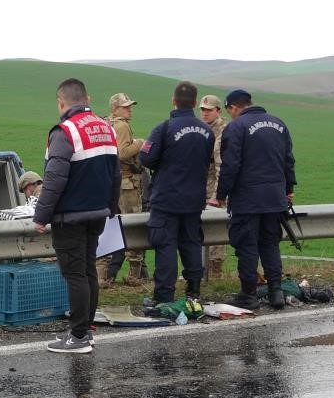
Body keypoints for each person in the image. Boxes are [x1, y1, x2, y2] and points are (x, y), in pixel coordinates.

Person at [33, 78, 120, 354]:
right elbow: (115, 174)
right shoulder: (106, 128)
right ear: (88, 99)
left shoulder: (65, 131)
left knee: (75, 275)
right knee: (87, 270)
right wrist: (111, 207)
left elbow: (54, 178)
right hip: (98, 213)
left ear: (61, 102)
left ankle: (79, 335)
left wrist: (41, 216)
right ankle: (85, 330)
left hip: (70, 216)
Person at [210, 89, 296, 310]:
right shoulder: (279, 124)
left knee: (247, 246)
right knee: (270, 244)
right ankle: (276, 292)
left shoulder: (236, 127)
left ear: (234, 107)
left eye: (230, 111)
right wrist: (288, 188)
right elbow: (288, 160)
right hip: (275, 198)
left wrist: (220, 195)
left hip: (247, 199)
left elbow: (230, 165)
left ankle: (249, 295)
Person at [138, 81, 214, 303]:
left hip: (167, 199)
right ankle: (194, 292)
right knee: (191, 243)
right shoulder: (207, 131)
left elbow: (146, 158)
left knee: (166, 246)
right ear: (194, 102)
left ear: (174, 101)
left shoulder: (164, 128)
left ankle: (164, 296)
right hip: (194, 199)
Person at [96, 93, 146, 287]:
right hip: (125, 182)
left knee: (107, 227)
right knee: (133, 225)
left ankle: (101, 275)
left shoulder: (104, 124)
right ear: (115, 108)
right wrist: (139, 143)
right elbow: (122, 153)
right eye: (126, 107)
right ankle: (135, 275)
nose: (129, 109)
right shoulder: (122, 125)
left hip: (107, 182)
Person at [200, 94, 228, 279]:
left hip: (216, 184)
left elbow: (221, 166)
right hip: (200, 183)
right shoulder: (199, 127)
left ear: (218, 110)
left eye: (209, 110)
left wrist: (218, 194)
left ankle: (215, 271)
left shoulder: (224, 130)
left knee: (216, 228)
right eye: (202, 109)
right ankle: (201, 271)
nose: (205, 113)